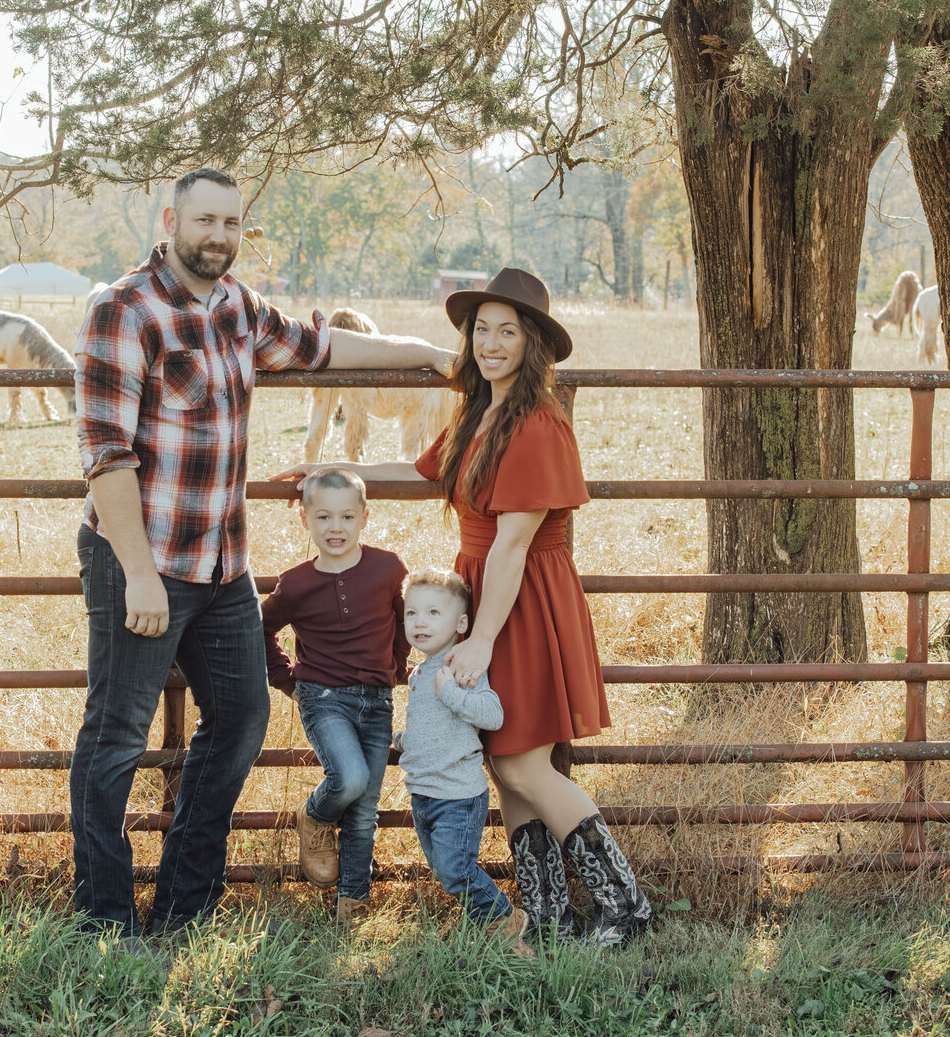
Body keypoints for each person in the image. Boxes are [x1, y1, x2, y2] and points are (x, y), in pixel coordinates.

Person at [71, 166, 454, 939]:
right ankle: (103, 918)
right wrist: (140, 574)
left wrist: (437, 356)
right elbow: (106, 456)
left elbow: (323, 346)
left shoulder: (237, 308)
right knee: (118, 732)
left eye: (231, 224)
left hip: (222, 563)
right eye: (205, 221)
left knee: (242, 717)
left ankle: (184, 903)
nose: (218, 237)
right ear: (172, 219)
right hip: (139, 559)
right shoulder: (124, 310)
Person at [282, 267, 649, 947]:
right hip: (487, 591)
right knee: (503, 759)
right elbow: (426, 474)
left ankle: (625, 907)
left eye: (508, 331)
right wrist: (329, 475)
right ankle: (545, 917)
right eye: (481, 330)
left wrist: (478, 639)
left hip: (523, 598)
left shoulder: (537, 422)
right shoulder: (481, 413)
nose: (491, 343)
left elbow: (514, 544)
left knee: (522, 764)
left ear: (533, 341)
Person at [262, 467, 408, 922]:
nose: (336, 528)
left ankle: (353, 906)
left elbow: (402, 622)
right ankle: (316, 815)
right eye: (323, 517)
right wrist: (289, 681)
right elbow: (260, 630)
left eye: (346, 517)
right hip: (323, 696)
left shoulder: (388, 568)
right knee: (349, 779)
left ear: (364, 517)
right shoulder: (297, 583)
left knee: (364, 813)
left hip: (377, 699)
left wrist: (397, 670)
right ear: (306, 519)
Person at [394, 568, 531, 951]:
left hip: (457, 795)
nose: (420, 622)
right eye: (412, 613)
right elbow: (429, 726)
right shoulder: (420, 673)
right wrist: (402, 741)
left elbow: (492, 715)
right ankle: (490, 925)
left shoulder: (460, 667)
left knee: (456, 871)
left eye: (434, 613)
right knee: (446, 872)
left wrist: (450, 691)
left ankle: (505, 919)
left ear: (462, 623)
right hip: (423, 793)